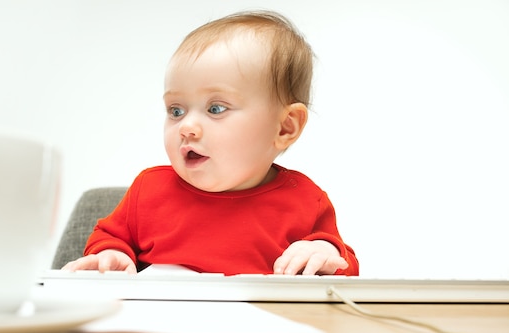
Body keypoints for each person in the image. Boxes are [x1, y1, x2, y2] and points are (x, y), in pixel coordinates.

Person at [63, 10, 359, 276]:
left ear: (285, 127)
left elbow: (345, 265)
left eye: (216, 108)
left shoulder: (306, 201)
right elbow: (108, 236)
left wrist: (326, 254)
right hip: (161, 328)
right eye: (176, 111)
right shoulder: (148, 191)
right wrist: (111, 254)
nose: (187, 127)